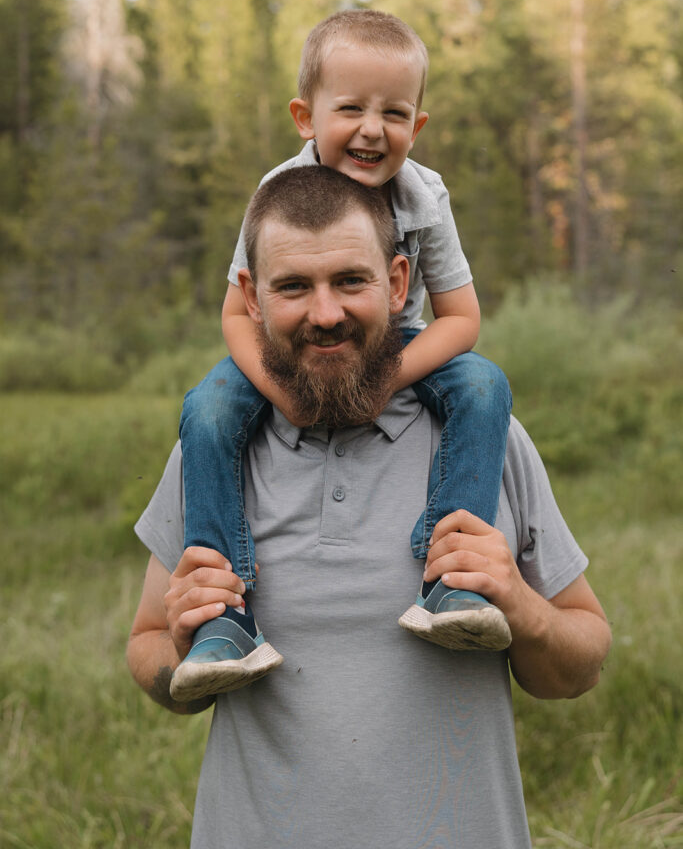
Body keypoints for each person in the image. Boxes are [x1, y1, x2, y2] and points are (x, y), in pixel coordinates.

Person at [126, 166, 612, 849]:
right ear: (251, 297)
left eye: (349, 281)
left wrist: (518, 605)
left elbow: (581, 665)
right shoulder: (213, 451)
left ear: (396, 283)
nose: (325, 314)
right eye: (293, 286)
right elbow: (147, 650)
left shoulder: (483, 441)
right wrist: (178, 651)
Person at [173, 10, 513, 701]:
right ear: (305, 116)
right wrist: (282, 391)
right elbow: (236, 314)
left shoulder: (424, 195)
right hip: (287, 354)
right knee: (206, 408)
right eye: (349, 107)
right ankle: (224, 615)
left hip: (390, 346)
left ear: (416, 126)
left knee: (482, 386)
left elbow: (462, 319)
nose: (370, 128)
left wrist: (385, 379)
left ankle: (451, 580)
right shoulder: (276, 195)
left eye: (393, 112)